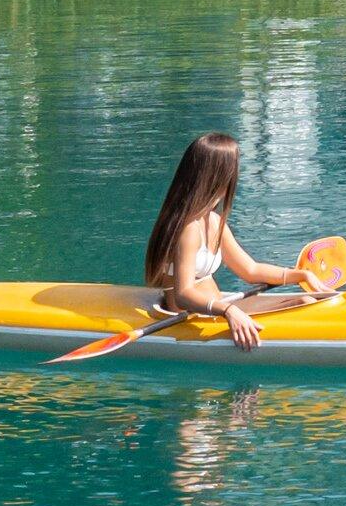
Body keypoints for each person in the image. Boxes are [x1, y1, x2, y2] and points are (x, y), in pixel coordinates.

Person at [143, 131, 333, 347]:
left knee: (306, 301)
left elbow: (250, 270)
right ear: (218, 176)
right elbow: (183, 294)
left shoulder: (213, 221)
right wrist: (229, 311)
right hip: (196, 319)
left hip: (218, 310)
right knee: (304, 303)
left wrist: (300, 275)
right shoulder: (189, 229)